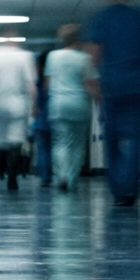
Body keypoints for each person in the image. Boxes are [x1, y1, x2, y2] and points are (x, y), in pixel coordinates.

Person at [81, 0, 140, 206]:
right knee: (134, 137)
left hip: (111, 86)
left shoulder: (101, 18)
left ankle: (119, 189)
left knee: (112, 138)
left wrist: (92, 83)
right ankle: (130, 187)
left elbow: (94, 55)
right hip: (136, 85)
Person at [43, 23, 97, 191]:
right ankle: (72, 178)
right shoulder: (85, 58)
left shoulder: (52, 56)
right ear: (79, 40)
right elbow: (90, 84)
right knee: (77, 144)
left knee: (60, 142)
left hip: (58, 104)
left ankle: (62, 176)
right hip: (79, 104)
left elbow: (47, 84)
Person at [0, 31, 37, 191]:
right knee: (16, 141)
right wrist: (34, 105)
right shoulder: (24, 56)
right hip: (18, 105)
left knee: (1, 141)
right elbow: (30, 84)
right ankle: (12, 176)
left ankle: (2, 169)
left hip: (0, 104)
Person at [32, 49, 53, 187]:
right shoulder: (54, 78)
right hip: (54, 114)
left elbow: (34, 96)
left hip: (40, 117)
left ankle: (45, 177)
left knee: (43, 148)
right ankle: (55, 174)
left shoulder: (37, 79)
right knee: (56, 147)